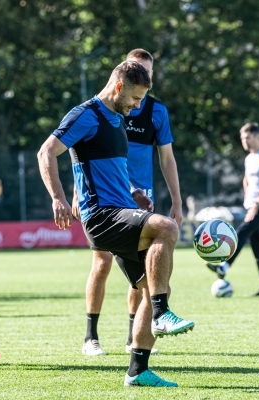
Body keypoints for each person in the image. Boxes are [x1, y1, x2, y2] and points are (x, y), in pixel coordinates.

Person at [38, 60, 194, 387]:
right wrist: (58, 198)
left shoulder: (117, 118)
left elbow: (111, 171)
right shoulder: (86, 114)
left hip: (121, 207)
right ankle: (162, 315)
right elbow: (47, 152)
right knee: (166, 228)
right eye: (136, 99)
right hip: (100, 215)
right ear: (119, 87)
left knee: (155, 286)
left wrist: (134, 193)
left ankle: (138, 371)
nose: (138, 106)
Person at [73, 49, 183, 357]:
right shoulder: (107, 110)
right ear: (125, 74)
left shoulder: (155, 111)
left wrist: (177, 200)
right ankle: (91, 336)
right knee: (102, 262)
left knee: (146, 276)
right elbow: (81, 152)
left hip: (135, 197)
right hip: (104, 201)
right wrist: (72, 194)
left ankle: (134, 339)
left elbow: (167, 158)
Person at [208, 123, 259, 296]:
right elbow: (246, 180)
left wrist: (256, 204)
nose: (244, 142)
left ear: (257, 137)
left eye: (247, 138)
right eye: (242, 139)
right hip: (251, 206)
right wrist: (249, 199)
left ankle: (224, 265)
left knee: (241, 233)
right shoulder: (249, 158)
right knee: (257, 247)